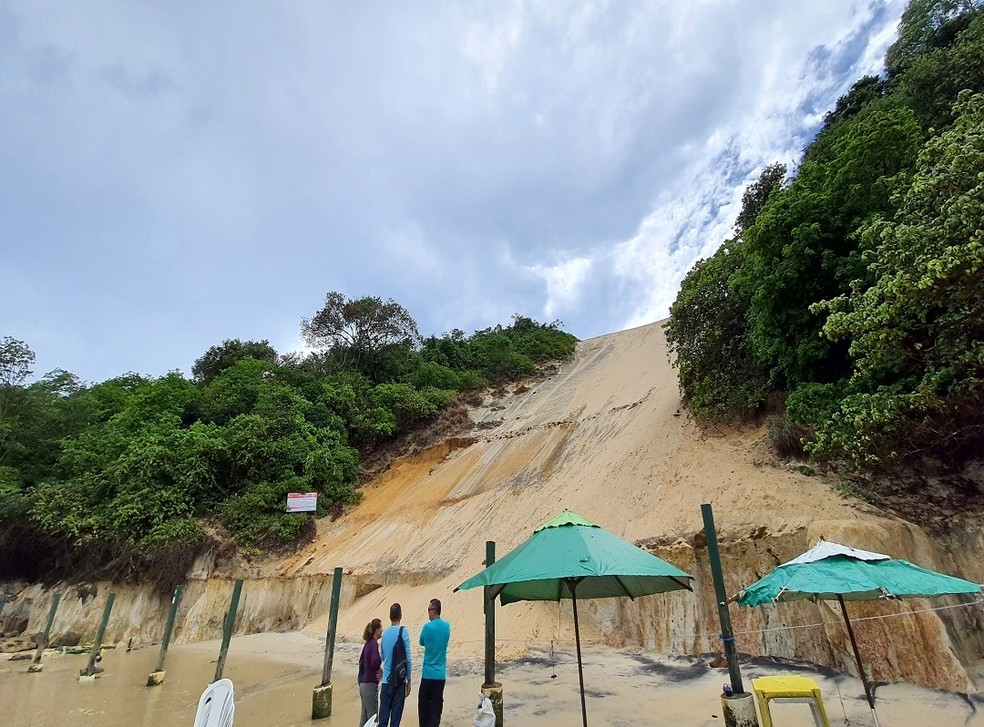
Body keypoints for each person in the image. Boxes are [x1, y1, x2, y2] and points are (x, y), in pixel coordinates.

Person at [418, 598, 451, 727]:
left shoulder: (427, 627)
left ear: (433, 611)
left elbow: (421, 641)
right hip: (440, 675)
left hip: (428, 674)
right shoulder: (446, 626)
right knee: (436, 708)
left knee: (424, 706)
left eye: (428, 610)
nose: (428, 613)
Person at [378, 602, 412, 727]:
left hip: (386, 682)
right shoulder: (404, 632)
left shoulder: (384, 634)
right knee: (395, 722)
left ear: (390, 616)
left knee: (383, 720)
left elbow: (382, 656)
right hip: (399, 682)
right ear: (401, 615)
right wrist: (409, 680)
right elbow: (408, 658)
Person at [358, 618, 383, 727]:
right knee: (373, 719)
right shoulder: (374, 644)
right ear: (377, 630)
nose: (382, 630)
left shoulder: (368, 644)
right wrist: (379, 669)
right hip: (370, 685)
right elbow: (374, 662)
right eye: (381, 627)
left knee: (364, 718)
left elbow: (361, 662)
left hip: (363, 684)